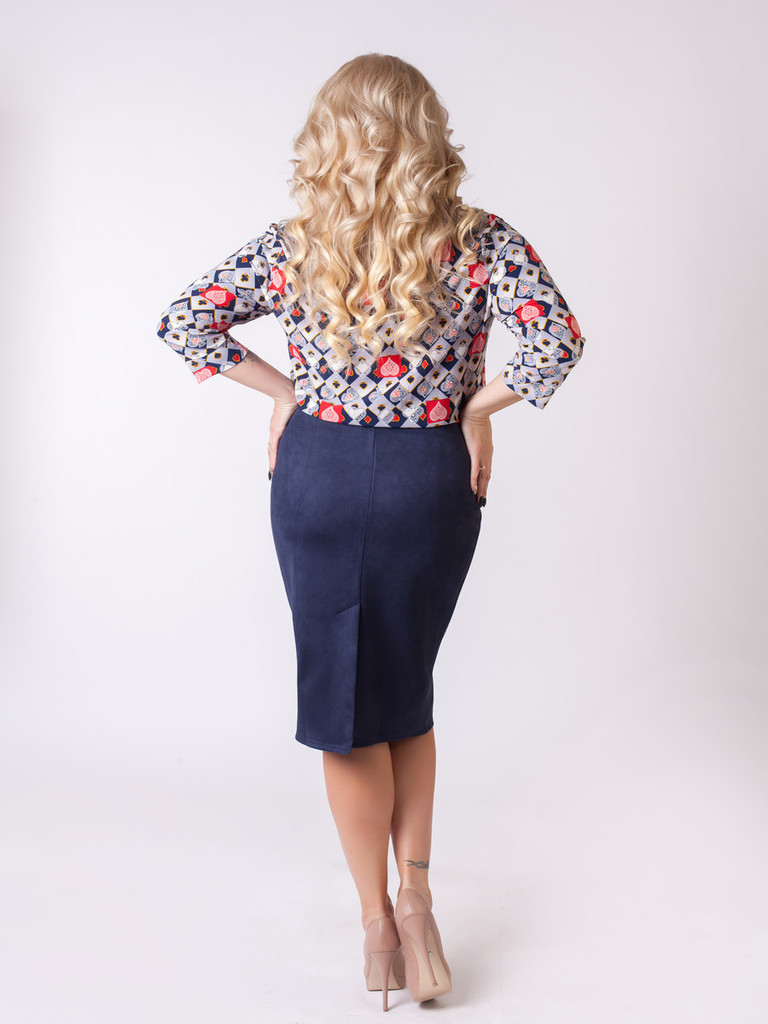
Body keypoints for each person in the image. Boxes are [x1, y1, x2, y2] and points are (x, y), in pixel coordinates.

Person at [155, 52, 585, 1012]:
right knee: (405, 689)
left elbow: (185, 322)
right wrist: (473, 409)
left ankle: (378, 928)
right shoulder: (482, 240)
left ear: (329, 139)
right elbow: (559, 343)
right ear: (428, 134)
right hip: (431, 481)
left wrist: (287, 393)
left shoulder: (296, 243)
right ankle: (420, 901)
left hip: (321, 475)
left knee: (346, 707)